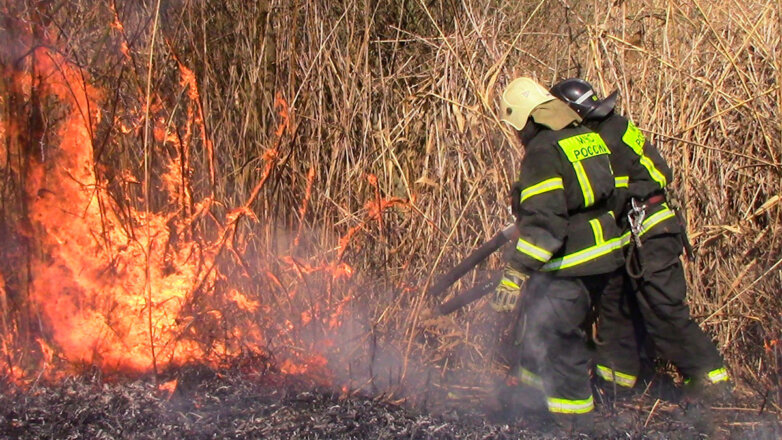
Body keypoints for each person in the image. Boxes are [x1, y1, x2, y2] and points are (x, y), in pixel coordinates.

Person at [549, 78, 732, 406]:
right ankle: (615, 386)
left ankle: (711, 383)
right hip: (624, 239)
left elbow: (653, 175)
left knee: (662, 309)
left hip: (649, 233)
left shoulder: (607, 135)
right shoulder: (601, 131)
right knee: (616, 307)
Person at [490, 77, 625, 434]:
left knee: (560, 342)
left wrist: (516, 272)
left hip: (572, 263)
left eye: (518, 127)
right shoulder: (585, 137)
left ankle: (574, 424)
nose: (518, 136)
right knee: (539, 324)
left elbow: (545, 221)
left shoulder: (543, 150)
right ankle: (529, 405)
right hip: (606, 257)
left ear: (527, 120)